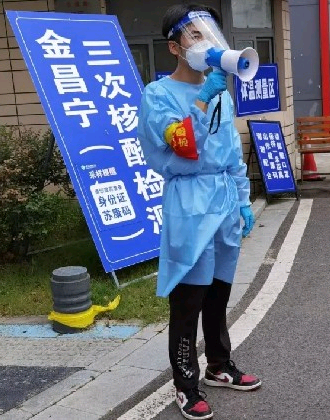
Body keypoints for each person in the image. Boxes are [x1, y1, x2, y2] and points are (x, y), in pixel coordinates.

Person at [137, 5, 261, 419]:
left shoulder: (221, 92)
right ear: (174, 47)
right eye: (193, 34)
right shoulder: (158, 95)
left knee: (218, 292)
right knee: (188, 299)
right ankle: (185, 383)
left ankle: (219, 365)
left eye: (207, 32)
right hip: (190, 202)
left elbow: (230, 152)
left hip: (223, 198)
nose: (204, 41)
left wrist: (242, 199)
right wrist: (203, 99)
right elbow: (184, 145)